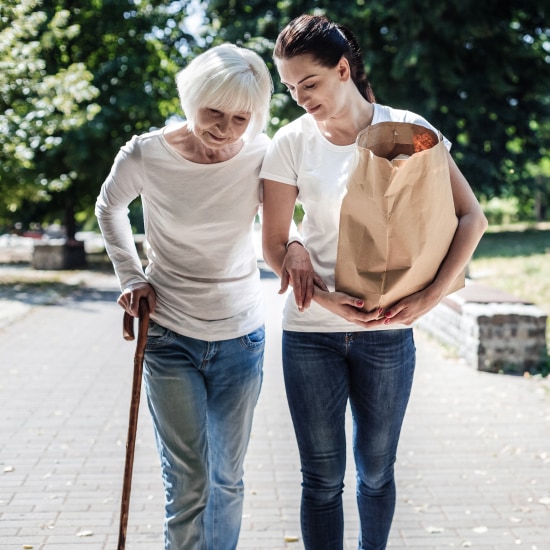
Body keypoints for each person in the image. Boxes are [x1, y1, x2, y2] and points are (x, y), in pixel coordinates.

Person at [260, 14, 488, 550]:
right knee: (320, 480)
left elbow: (471, 218)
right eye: (290, 88)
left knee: (376, 473)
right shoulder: (290, 143)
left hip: (388, 333)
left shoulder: (406, 129)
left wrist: (429, 300)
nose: (299, 98)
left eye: (309, 83)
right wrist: (328, 300)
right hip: (310, 332)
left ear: (343, 69)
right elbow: (273, 241)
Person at [95, 43, 273, 549]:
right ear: (190, 97)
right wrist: (131, 276)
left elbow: (282, 224)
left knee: (226, 479)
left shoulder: (262, 153)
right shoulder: (146, 153)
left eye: (241, 118)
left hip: (241, 336)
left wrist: (296, 245)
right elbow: (109, 207)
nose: (225, 128)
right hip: (169, 336)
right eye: (213, 112)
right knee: (189, 481)